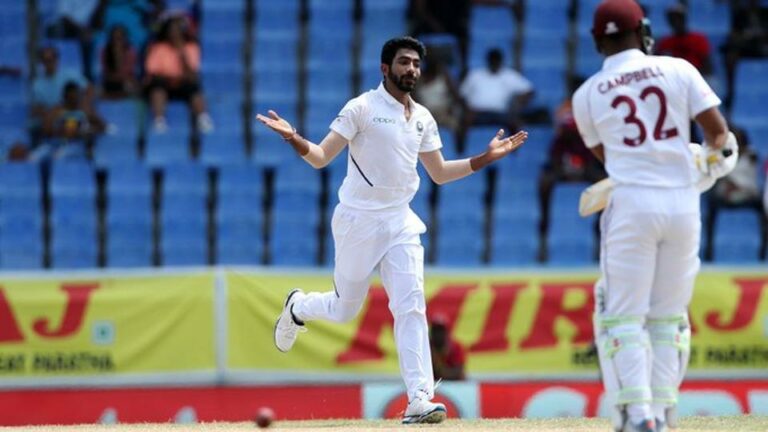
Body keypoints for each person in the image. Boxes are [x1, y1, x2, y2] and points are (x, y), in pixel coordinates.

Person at [258, 36, 527, 425]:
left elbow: (438, 173)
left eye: (416, 64)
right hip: (358, 220)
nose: (411, 70)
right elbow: (320, 158)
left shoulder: (423, 117)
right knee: (344, 309)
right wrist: (293, 137)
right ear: (385, 68)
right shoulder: (362, 107)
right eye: (404, 62)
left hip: (400, 221)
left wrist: (485, 158)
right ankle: (298, 307)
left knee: (411, 305)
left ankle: (420, 399)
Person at [572, 1, 737, 431]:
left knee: (622, 316)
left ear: (596, 40)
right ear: (644, 32)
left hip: (631, 204)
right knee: (668, 317)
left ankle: (638, 416)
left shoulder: (587, 93)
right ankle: (664, 414)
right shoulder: (678, 69)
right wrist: (709, 163)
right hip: (683, 203)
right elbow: (718, 134)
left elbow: (610, 159)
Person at [537, 75, 606, 262]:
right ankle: (543, 229)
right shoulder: (564, 110)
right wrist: (561, 168)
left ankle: (601, 235)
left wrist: (586, 167)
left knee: (605, 187)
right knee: (545, 182)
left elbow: (596, 143)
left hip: (588, 165)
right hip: (563, 165)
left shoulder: (595, 109)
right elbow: (559, 142)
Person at [703, 126, 765, 261]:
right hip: (727, 194)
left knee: (764, 209)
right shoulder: (725, 154)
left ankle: (763, 251)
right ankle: (709, 249)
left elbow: (751, 181)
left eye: (739, 140)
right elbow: (719, 173)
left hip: (747, 194)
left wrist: (736, 186)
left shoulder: (752, 156)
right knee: (712, 203)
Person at [143, 15, 213, 133]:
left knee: (194, 88)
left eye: (177, 30)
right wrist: (172, 79)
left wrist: (181, 52)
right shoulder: (158, 48)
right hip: (164, 83)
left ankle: (203, 119)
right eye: (171, 30)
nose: (174, 33)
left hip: (183, 83)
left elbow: (192, 73)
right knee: (157, 88)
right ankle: (159, 121)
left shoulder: (192, 47)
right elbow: (153, 73)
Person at [460, 48, 533, 142]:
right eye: (492, 61)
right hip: (478, 113)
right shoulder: (475, 75)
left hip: (501, 114)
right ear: (488, 61)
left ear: (500, 61)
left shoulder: (509, 75)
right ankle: (461, 150)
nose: (494, 63)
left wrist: (518, 103)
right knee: (463, 121)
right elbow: (462, 95)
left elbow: (529, 91)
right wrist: (467, 109)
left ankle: (514, 150)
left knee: (515, 123)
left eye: (496, 61)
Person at [31, 46, 94, 141]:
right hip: (55, 119)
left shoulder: (70, 74)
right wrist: (53, 113)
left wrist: (85, 102)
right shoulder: (37, 84)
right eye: (46, 60)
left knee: (87, 117)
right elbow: (37, 109)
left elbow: (89, 88)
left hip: (74, 114)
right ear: (42, 62)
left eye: (52, 59)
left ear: (57, 59)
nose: (49, 63)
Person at [35, 80, 106, 161]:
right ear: (65, 97)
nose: (73, 101)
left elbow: (103, 127)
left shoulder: (85, 111)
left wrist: (84, 131)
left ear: (79, 96)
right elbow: (45, 130)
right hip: (56, 145)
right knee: (34, 157)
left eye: (76, 97)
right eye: (70, 98)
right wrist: (59, 131)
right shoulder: (56, 111)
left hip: (78, 146)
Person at [46, 0, 101, 80]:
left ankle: (87, 77)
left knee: (90, 37)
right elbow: (64, 16)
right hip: (70, 28)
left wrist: (88, 29)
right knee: (52, 30)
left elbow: (97, 11)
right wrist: (80, 30)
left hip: (91, 28)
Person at [412, 52, 465, 132]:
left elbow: (455, 96)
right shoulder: (417, 78)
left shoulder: (444, 76)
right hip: (424, 112)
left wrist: (451, 108)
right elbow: (412, 99)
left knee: (457, 125)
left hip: (443, 111)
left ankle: (458, 144)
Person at [655, 4, 713, 77]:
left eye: (679, 18)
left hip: (697, 77)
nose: (676, 21)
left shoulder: (699, 39)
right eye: (672, 19)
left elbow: (707, 65)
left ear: (684, 19)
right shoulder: (664, 42)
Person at [100, 25, 139, 98]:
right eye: (115, 38)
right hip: (110, 80)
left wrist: (119, 55)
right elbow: (106, 71)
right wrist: (115, 54)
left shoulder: (130, 51)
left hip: (125, 81)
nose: (117, 40)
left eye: (119, 38)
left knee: (130, 85)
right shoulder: (105, 51)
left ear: (124, 38)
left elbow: (128, 71)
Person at [429, 314, 466, 381]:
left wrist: (440, 370)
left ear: (446, 332)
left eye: (441, 330)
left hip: (453, 386)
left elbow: (458, 373)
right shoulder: (426, 348)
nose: (438, 334)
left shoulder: (455, 348)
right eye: (435, 330)